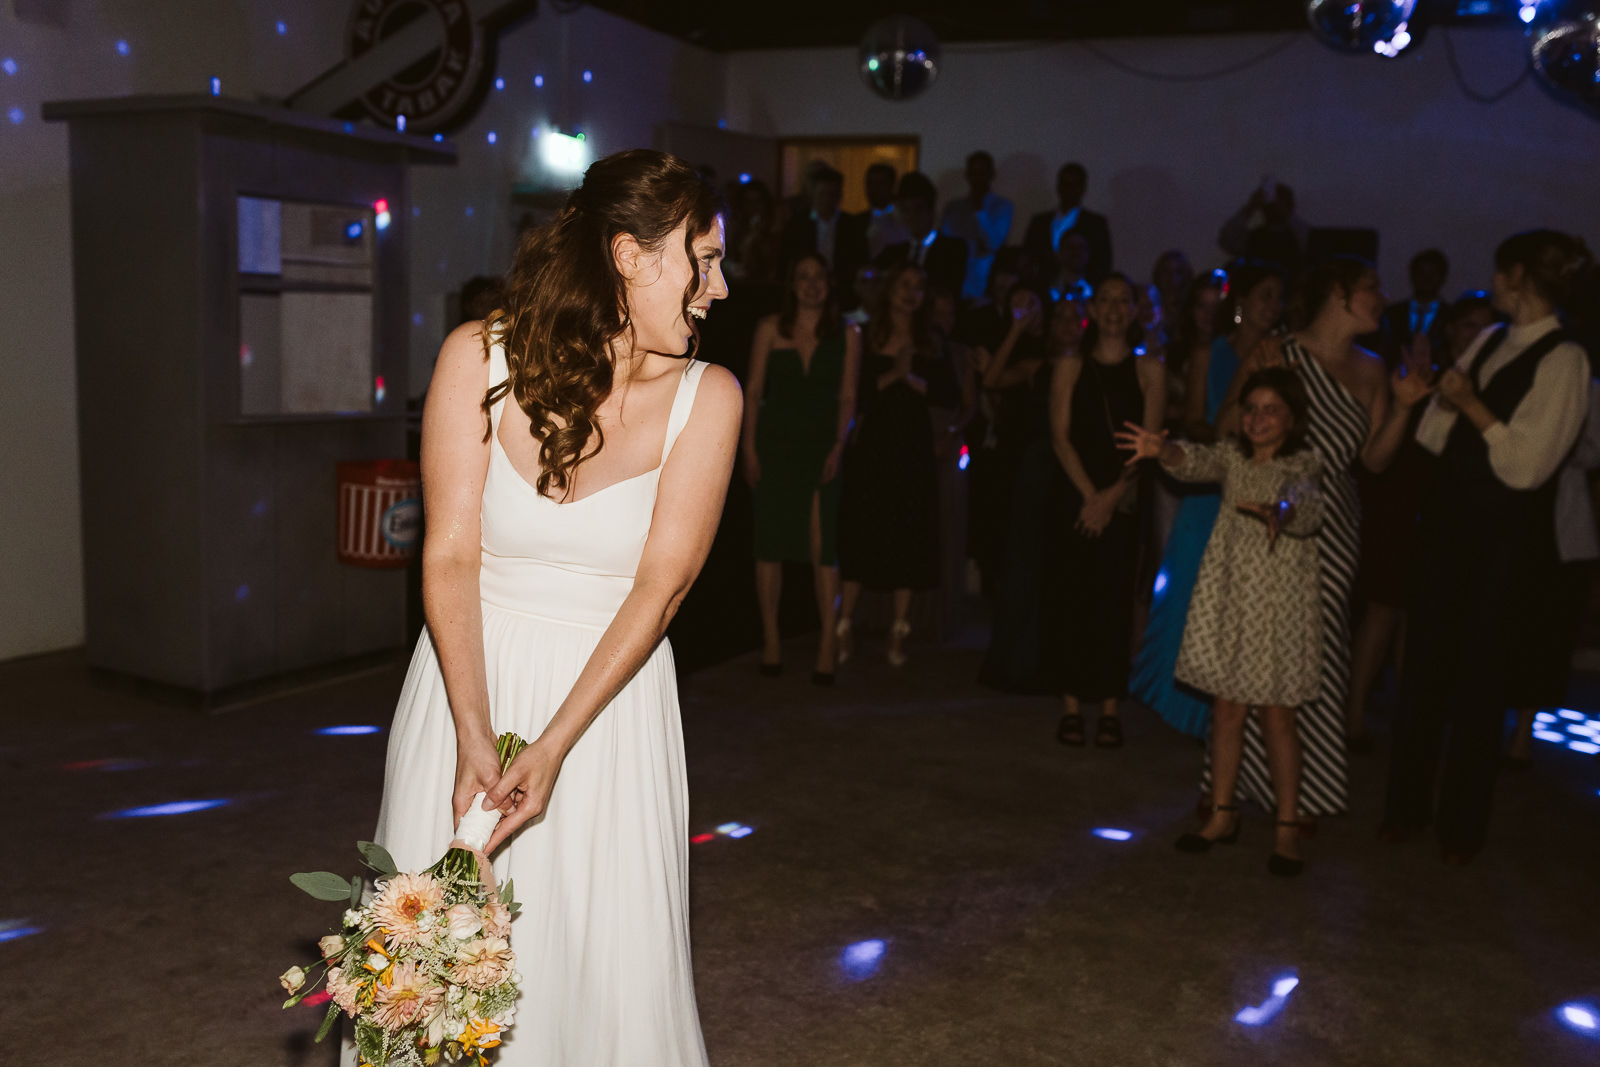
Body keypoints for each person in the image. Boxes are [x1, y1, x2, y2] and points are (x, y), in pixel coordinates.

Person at [368, 150, 740, 1066]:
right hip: (466, 688)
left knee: (598, 968)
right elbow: (449, 552)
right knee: (439, 974)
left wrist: (551, 744)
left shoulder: (710, 397)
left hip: (605, 714)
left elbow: (664, 587)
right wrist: (472, 732)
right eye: (706, 257)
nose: (721, 288)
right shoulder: (474, 357)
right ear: (631, 255)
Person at [1383, 230, 1592, 862]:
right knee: (1421, 675)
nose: (1492, 281)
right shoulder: (1488, 339)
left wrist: (1470, 405)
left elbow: (1527, 466)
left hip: (1505, 549)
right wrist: (1428, 400)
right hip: (1449, 532)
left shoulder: (1565, 360)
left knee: (1480, 686)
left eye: (1500, 272)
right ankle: (1405, 810)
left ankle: (1459, 830)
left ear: (1519, 275)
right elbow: (1438, 438)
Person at [1216, 256, 1431, 824]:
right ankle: (1230, 785)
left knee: (1315, 656)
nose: (1382, 297)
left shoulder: (1372, 368)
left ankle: (1302, 794)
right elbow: (1223, 428)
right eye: (1371, 287)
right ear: (1338, 293)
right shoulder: (1278, 352)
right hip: (1270, 517)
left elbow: (1375, 461)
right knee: (1255, 647)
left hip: (1334, 527)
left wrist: (1405, 408)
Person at [1119, 368, 1324, 876]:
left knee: (1277, 717)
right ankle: (1223, 814)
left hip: (1277, 609)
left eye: (1270, 409)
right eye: (1250, 408)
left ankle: (1286, 829)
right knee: (1227, 710)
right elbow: (1196, 461)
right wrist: (1162, 450)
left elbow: (1308, 504)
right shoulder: (1232, 457)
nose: (1257, 418)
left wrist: (1283, 509)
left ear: (1292, 418)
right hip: (1232, 600)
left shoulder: (1304, 463)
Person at [1132, 261, 1284, 740]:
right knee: (1188, 594)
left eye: (1278, 298)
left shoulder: (1282, 357)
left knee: (1237, 605)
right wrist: (1228, 448)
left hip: (1258, 487)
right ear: (1240, 303)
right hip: (1208, 484)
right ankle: (1179, 704)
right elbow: (1196, 420)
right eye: (1264, 295)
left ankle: (1227, 715)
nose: (1271, 307)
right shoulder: (1209, 352)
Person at [1345, 292, 1497, 749]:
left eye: (1487, 325)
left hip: (1444, 503)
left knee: (1419, 610)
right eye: (1470, 325)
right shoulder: (1421, 364)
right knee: (1385, 604)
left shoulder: (1486, 375)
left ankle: (1409, 714)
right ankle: (1351, 713)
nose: (1479, 334)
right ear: (1451, 329)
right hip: (1398, 494)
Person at [1047, 273, 1165, 747]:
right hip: (1076, 494)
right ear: (1091, 310)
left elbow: (1148, 446)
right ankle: (1072, 704)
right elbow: (1060, 437)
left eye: (1124, 300)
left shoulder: (1150, 371)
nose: (1115, 308)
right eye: (1106, 299)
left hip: (1124, 494)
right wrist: (1090, 496)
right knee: (1073, 595)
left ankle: (1111, 706)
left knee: (1116, 600)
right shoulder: (1070, 366)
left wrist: (1113, 495)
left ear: (1135, 311)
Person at [742, 253, 862, 684]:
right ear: (792, 284)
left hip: (821, 448)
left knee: (822, 545)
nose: (811, 284)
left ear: (829, 284)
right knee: (769, 545)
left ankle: (828, 641)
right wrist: (749, 449)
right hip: (775, 447)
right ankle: (771, 639)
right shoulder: (770, 328)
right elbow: (753, 392)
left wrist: (837, 446)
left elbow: (849, 397)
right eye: (803, 277)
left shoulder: (848, 332)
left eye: (819, 276)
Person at [837, 262, 961, 666]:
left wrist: (913, 379)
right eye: (904, 284)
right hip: (874, 447)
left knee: (909, 535)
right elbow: (854, 392)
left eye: (918, 287)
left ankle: (898, 633)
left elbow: (948, 393)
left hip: (913, 449)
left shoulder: (931, 339)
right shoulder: (867, 333)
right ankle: (843, 625)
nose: (911, 293)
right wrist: (895, 374)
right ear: (889, 289)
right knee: (863, 532)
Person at [979, 295, 1087, 692]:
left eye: (1074, 316)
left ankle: (1060, 660)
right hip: (1037, 473)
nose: (1065, 323)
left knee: (1066, 565)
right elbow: (990, 379)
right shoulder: (1036, 366)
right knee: (1026, 564)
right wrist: (1017, 328)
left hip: (1075, 474)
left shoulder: (1094, 370)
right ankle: (1019, 661)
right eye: (1059, 316)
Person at [1506, 376, 1600, 764]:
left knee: (1546, 637)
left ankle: (1523, 736)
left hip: (1561, 533)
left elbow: (1591, 451)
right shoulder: (1515, 374)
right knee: (1508, 630)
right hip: (1512, 525)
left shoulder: (1585, 387)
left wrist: (1549, 442)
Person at [779, 162, 868, 305]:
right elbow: (787, 260)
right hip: (806, 292)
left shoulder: (852, 225)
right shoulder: (798, 224)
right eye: (822, 194)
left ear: (840, 195)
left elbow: (859, 261)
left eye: (832, 194)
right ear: (813, 193)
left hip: (843, 294)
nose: (827, 199)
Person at [875, 171, 968, 300]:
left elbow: (949, 289)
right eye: (906, 210)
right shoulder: (893, 252)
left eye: (919, 208)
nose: (913, 216)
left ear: (931, 211)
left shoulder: (953, 250)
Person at [940, 150, 1014, 302]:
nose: (978, 178)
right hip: (956, 282)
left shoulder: (1003, 207)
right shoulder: (954, 207)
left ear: (991, 174)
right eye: (974, 172)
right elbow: (945, 245)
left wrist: (981, 212)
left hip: (986, 283)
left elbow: (993, 243)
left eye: (982, 172)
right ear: (967, 175)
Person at [1023, 162, 1112, 287]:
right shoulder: (1040, 222)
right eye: (1065, 184)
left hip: (1083, 291)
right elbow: (1028, 257)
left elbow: (1102, 262)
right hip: (1043, 288)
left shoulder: (1095, 223)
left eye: (1074, 185)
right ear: (1058, 186)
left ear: (1083, 188)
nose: (1069, 189)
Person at [1218, 181, 1309, 281]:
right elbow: (1226, 240)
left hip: (1291, 290)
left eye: (1281, 201)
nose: (1275, 205)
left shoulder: (1297, 235)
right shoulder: (1254, 237)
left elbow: (1309, 243)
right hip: (1255, 290)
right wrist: (1250, 207)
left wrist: (1287, 213)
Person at [1378, 249, 1451, 366]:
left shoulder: (1451, 315)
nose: (1427, 278)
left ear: (1442, 277)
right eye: (1421, 272)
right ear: (1412, 275)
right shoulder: (1391, 313)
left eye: (1433, 273)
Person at [858, 160, 909, 259]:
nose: (874, 189)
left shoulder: (905, 220)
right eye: (870, 183)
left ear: (891, 186)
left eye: (880, 184)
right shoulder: (857, 222)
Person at [1152, 249, 1195, 334]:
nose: (1171, 277)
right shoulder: (1150, 308)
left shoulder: (1192, 309)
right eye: (1166, 271)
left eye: (1178, 272)